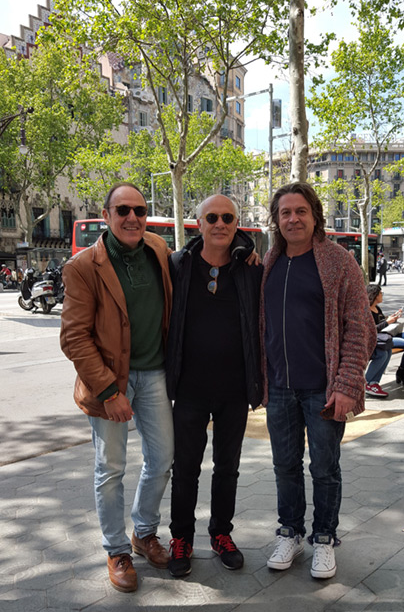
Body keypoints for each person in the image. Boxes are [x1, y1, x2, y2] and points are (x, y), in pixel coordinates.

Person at [60, 182, 174, 593]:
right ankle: (115, 549)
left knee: (162, 459)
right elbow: (74, 338)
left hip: (156, 373)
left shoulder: (158, 250)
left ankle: (143, 534)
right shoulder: (83, 266)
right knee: (111, 469)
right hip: (109, 382)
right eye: (123, 210)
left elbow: (195, 262)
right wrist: (110, 391)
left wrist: (244, 254)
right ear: (106, 215)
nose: (132, 218)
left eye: (140, 211)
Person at [260, 182, 376, 580]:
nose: (293, 218)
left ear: (314, 215)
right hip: (278, 387)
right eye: (285, 212)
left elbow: (360, 327)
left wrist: (347, 384)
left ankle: (324, 538)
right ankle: (289, 532)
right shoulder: (269, 261)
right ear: (276, 220)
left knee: (325, 468)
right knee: (284, 466)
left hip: (323, 389)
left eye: (300, 211)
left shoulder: (338, 261)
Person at [166, 194, 262, 578]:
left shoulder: (250, 270)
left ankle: (221, 533)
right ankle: (181, 539)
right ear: (198, 223)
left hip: (234, 389)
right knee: (185, 468)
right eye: (212, 217)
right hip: (188, 387)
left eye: (228, 218)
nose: (220, 224)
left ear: (236, 224)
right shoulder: (178, 265)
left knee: (228, 468)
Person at [366, 283, 404, 388]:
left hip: (388, 335)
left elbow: (381, 321)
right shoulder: (367, 311)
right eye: (381, 293)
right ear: (375, 295)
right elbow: (371, 330)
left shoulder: (377, 308)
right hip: (381, 339)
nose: (382, 295)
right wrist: (387, 322)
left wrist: (392, 318)